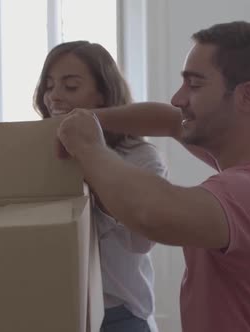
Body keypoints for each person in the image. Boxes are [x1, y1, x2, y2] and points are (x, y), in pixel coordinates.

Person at [56, 22, 250, 332]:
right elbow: (169, 121)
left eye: (194, 85)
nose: (178, 98)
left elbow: (150, 213)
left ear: (247, 97)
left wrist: (89, 147)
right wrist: (90, 119)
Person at [33, 40, 166, 332]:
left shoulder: (141, 158)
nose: (54, 97)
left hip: (119, 313)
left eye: (70, 86)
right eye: (49, 85)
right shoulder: (37, 154)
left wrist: (92, 162)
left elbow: (140, 241)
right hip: (52, 306)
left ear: (103, 97)